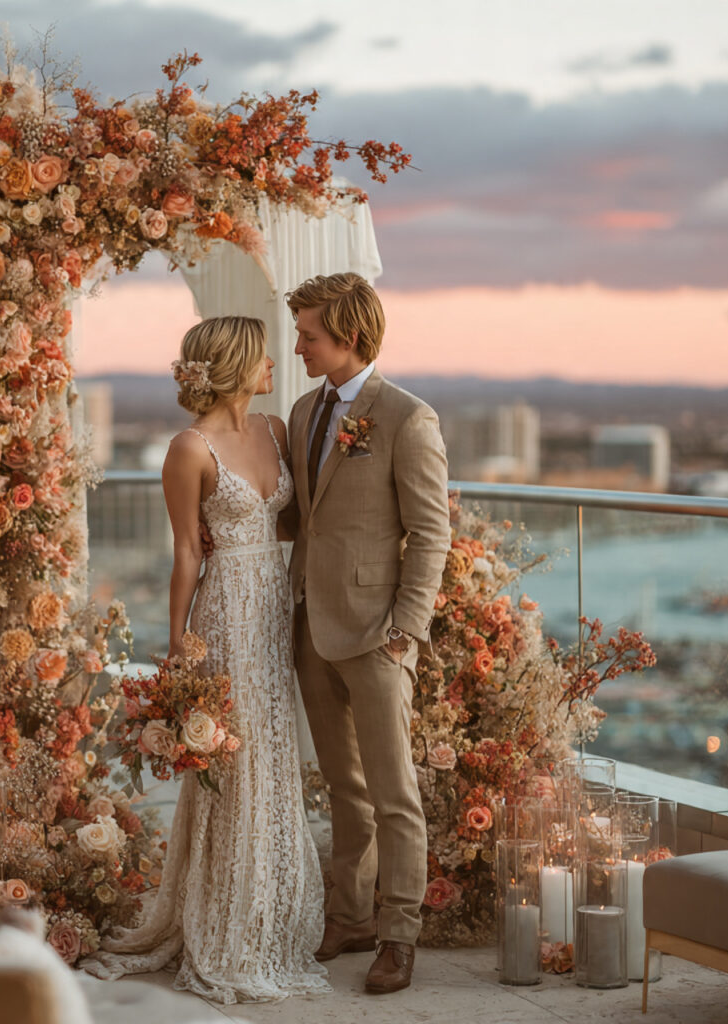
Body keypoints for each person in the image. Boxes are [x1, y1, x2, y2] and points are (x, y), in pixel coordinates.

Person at [82, 316, 330, 1004]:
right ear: (237, 364)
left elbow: (290, 520)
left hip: (277, 608)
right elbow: (188, 550)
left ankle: (272, 912)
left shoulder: (275, 429)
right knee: (236, 762)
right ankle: (228, 922)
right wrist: (177, 646)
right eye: (264, 355)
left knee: (274, 751)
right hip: (226, 617)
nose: (277, 362)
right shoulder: (188, 449)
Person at [284, 272, 450, 995]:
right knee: (344, 788)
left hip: (379, 635)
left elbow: (431, 533)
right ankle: (351, 918)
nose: (298, 347)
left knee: (393, 795)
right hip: (312, 628)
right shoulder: (302, 411)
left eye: (309, 336)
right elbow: (307, 518)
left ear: (349, 337)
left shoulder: (408, 418)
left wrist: (404, 631)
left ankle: (399, 935)